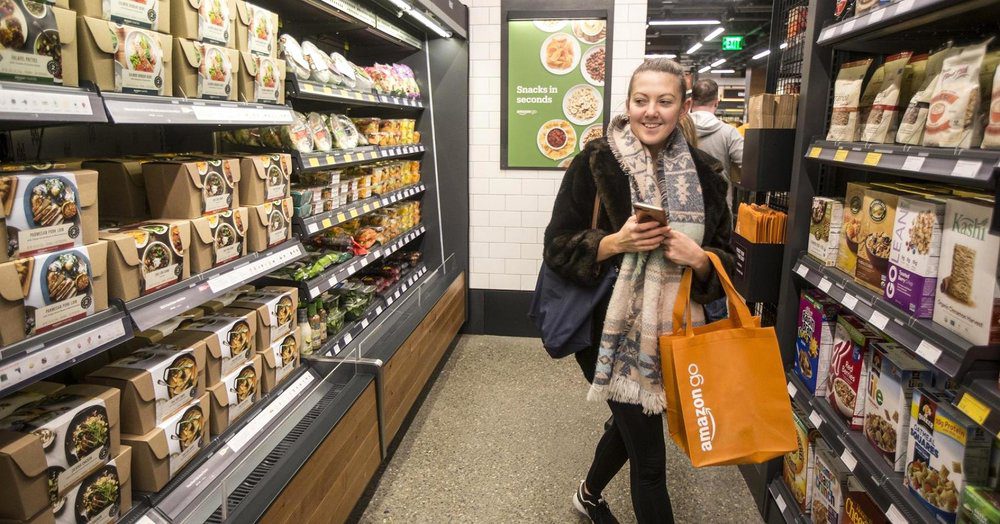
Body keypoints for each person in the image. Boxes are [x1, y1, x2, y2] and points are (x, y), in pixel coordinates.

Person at [542, 58, 735, 523]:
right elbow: (556, 247)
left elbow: (726, 259)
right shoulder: (595, 162)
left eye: (664, 101)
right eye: (641, 100)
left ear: (683, 107)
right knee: (650, 461)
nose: (651, 111)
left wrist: (701, 259)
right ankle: (590, 499)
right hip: (604, 327)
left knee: (631, 427)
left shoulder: (707, 174)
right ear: (627, 106)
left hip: (675, 329)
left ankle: (587, 495)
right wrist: (613, 242)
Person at [689, 79, 744, 324]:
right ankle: (713, 329)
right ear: (717, 101)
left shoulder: (677, 128)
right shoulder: (728, 132)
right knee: (715, 268)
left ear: (690, 102)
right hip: (719, 214)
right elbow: (748, 164)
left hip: (683, 214)